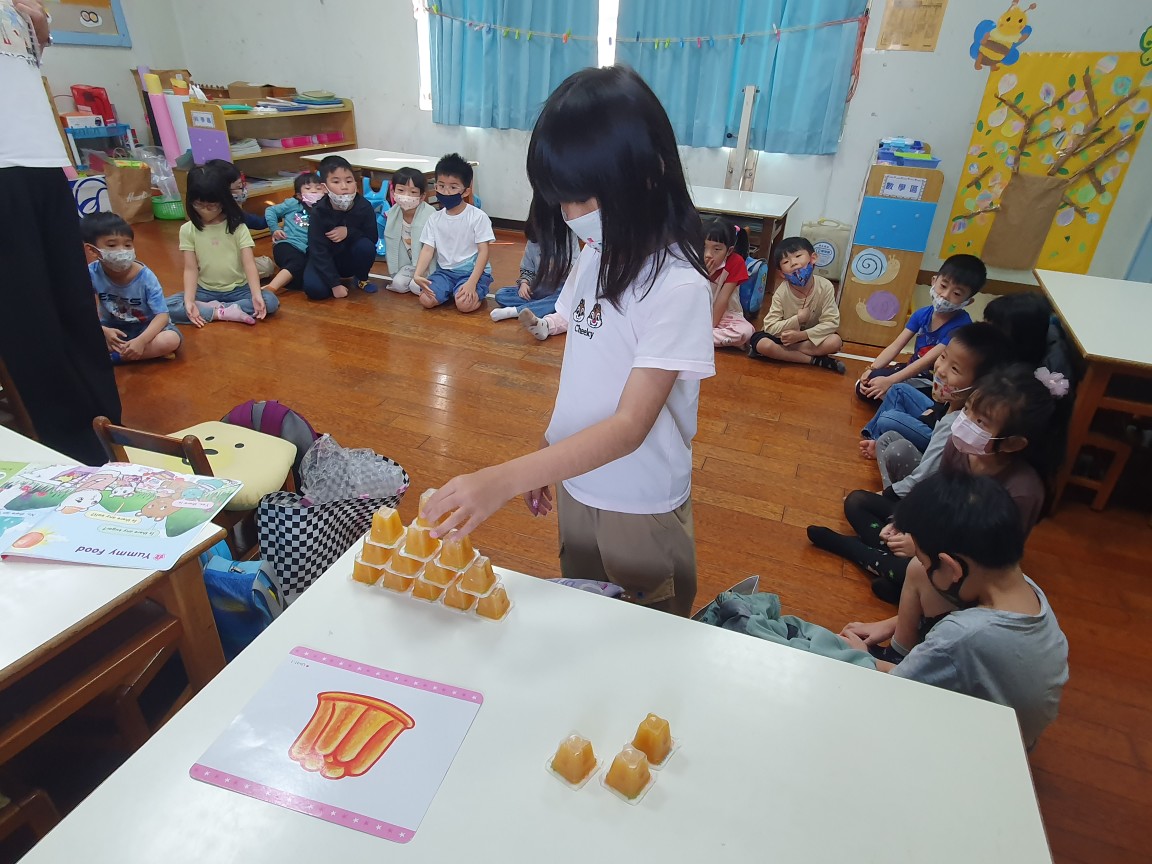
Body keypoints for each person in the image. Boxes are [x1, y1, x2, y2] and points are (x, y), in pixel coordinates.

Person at [420, 66, 714, 617]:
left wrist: (504, 479)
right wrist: (548, 451)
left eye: (582, 199)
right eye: (561, 200)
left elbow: (630, 426)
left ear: (646, 174)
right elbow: (585, 371)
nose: (571, 216)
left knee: (647, 629)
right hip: (578, 485)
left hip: (640, 503)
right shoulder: (595, 254)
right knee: (584, 612)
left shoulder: (677, 286)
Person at [838, 473, 1068, 749]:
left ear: (951, 567)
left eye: (926, 561)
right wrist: (889, 624)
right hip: (1011, 723)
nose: (922, 566)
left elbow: (896, 686)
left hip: (985, 748)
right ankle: (899, 652)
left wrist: (862, 657)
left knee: (847, 671)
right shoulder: (1024, 587)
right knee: (919, 574)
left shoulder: (961, 636)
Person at [809, 362, 1066, 602]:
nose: (965, 422)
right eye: (967, 409)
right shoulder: (959, 446)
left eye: (980, 421)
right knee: (857, 502)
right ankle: (894, 573)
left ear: (1012, 443)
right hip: (937, 534)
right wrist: (904, 524)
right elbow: (937, 497)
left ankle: (857, 551)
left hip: (966, 565)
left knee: (914, 570)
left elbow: (987, 557)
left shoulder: (1023, 491)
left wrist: (922, 547)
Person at [0, 0, 122, 464]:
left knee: (73, 299)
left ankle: (104, 421)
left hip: (42, 156)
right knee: (28, 313)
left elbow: (37, 48)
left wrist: (36, 23)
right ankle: (67, 444)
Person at [869, 323, 1011, 494]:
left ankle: (893, 500)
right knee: (887, 437)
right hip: (930, 453)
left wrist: (883, 496)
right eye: (943, 357)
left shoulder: (955, 426)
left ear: (979, 386)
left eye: (955, 369)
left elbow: (924, 478)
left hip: (930, 491)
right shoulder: (952, 399)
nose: (941, 370)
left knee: (895, 443)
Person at [856, 254, 985, 402]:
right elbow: (896, 346)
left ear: (968, 301)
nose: (945, 295)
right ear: (934, 281)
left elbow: (927, 360)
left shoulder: (961, 326)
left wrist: (890, 381)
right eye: (943, 286)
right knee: (868, 383)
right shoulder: (922, 314)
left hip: (935, 382)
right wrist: (871, 369)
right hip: (913, 371)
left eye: (956, 293)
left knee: (884, 391)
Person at [166, 166, 278, 327]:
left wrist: (255, 294)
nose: (205, 211)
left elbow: (249, 264)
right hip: (205, 291)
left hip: (239, 290)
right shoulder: (187, 230)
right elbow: (190, 269)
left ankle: (212, 310)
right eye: (198, 204)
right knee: (164, 307)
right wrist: (189, 300)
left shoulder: (238, 227)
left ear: (223, 201)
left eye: (211, 206)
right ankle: (222, 312)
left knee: (270, 301)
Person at [81, 212, 182, 363]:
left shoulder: (146, 277)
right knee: (76, 336)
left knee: (170, 339)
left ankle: (115, 357)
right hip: (112, 329)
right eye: (112, 245)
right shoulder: (91, 273)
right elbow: (81, 309)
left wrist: (141, 341)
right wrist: (103, 330)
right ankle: (135, 354)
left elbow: (162, 316)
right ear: (92, 250)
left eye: (127, 245)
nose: (122, 250)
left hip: (146, 328)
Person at [747, 237, 845, 373]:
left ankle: (784, 353)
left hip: (809, 338)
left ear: (813, 258)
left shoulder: (825, 286)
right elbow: (770, 327)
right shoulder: (781, 292)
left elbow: (831, 322)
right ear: (781, 273)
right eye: (786, 262)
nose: (793, 263)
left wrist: (801, 336)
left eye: (798, 256)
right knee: (763, 344)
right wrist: (796, 320)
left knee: (835, 342)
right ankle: (815, 360)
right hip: (783, 339)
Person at [413, 153, 494, 313]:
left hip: (471, 273)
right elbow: (428, 249)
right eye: (441, 186)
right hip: (445, 272)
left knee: (464, 305)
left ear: (466, 191)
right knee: (425, 300)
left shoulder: (478, 217)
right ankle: (452, 290)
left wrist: (472, 282)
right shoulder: (434, 218)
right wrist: (418, 274)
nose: (446, 192)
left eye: (453, 187)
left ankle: (474, 290)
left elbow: (484, 252)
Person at [303, 155, 379, 299]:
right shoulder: (318, 212)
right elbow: (318, 251)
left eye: (349, 181)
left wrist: (348, 232)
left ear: (355, 183)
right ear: (324, 188)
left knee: (365, 246)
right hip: (328, 260)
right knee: (315, 291)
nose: (344, 187)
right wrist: (334, 284)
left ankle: (361, 278)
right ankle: (327, 278)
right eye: (336, 182)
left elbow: (372, 238)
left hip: (350, 259)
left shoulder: (364, 206)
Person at [490, 203, 580, 324]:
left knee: (565, 298)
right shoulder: (534, 241)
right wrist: (524, 283)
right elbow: (527, 269)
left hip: (560, 288)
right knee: (501, 295)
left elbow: (575, 267)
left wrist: (559, 267)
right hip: (540, 287)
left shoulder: (569, 237)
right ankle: (542, 307)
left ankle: (516, 311)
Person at [263, 172, 327, 293]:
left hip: (309, 250)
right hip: (288, 244)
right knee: (297, 262)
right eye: (308, 188)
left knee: (304, 276)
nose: (314, 191)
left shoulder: (325, 208)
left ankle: (282, 279)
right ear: (299, 195)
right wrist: (275, 229)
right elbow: (270, 210)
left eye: (318, 188)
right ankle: (270, 289)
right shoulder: (293, 203)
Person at [381, 166, 437, 295]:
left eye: (413, 192)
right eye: (401, 190)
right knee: (398, 285)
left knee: (416, 287)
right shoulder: (392, 214)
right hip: (408, 265)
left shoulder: (430, 214)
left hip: (428, 265)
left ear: (422, 196)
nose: (406, 196)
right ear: (393, 192)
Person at [702, 216, 753, 348]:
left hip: (724, 314)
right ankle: (703, 338)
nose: (708, 254)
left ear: (729, 251)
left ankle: (697, 337)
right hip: (697, 311)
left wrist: (709, 328)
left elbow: (723, 299)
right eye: (704, 247)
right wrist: (702, 276)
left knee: (746, 331)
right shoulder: (693, 258)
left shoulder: (736, 262)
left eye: (716, 249)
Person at [204, 158, 267, 233]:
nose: (243, 190)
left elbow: (260, 222)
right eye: (239, 187)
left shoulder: (236, 212)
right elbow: (259, 223)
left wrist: (276, 211)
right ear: (224, 192)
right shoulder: (234, 216)